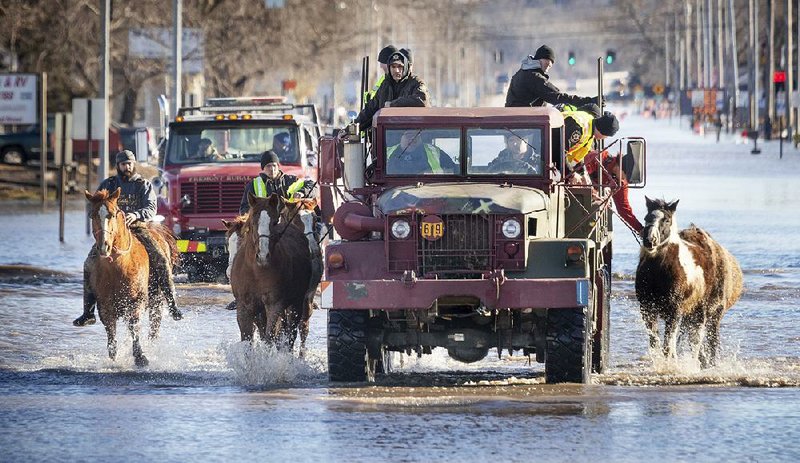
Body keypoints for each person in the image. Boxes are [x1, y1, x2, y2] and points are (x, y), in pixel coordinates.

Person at [74, 150, 183, 326]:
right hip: (112, 233)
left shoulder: (143, 184)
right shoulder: (108, 184)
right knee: (88, 263)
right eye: (124, 164)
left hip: (137, 228)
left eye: (130, 164)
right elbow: (94, 207)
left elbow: (151, 208)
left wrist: (136, 215)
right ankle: (88, 312)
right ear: (118, 166)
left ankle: (172, 303)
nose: (127, 167)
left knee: (160, 258)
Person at [347, 49, 430, 134]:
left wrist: (393, 104)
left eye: (400, 67)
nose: (396, 70)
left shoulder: (416, 83)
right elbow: (370, 110)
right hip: (386, 138)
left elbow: (422, 100)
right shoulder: (385, 85)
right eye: (393, 67)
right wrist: (349, 130)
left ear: (406, 67)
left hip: (412, 137)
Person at [505, 45, 597, 108]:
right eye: (548, 63)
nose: (548, 67)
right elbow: (557, 98)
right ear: (540, 59)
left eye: (550, 65)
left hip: (514, 125)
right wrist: (589, 101)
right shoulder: (534, 77)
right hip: (527, 126)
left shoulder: (521, 73)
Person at [584, 149, 644, 234]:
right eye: (624, 176)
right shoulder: (599, 158)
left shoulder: (621, 183)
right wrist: (591, 189)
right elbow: (580, 171)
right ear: (620, 167)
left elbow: (624, 209)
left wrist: (640, 230)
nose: (624, 180)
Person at [239, 150, 316, 215]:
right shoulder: (253, 185)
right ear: (263, 168)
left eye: (274, 165)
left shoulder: (290, 181)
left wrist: (301, 192)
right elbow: (244, 209)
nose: (272, 169)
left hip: (289, 225)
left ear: (278, 166)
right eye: (268, 166)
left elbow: (313, 186)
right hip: (266, 227)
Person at [386, 130, 457, 175]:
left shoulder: (435, 152)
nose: (412, 138)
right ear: (400, 137)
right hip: (394, 194)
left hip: (429, 193)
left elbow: (453, 172)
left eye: (416, 134)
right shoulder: (386, 153)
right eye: (409, 135)